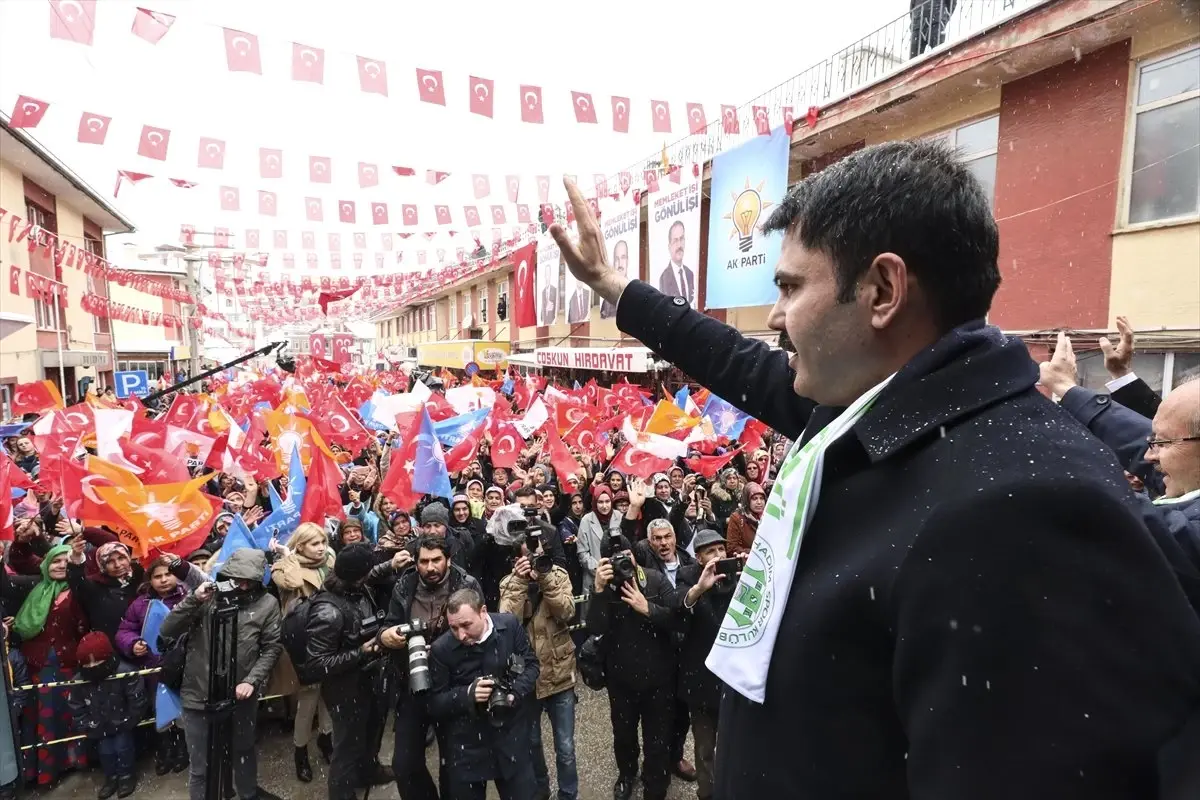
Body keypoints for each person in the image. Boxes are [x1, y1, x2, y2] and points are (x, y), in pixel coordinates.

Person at [551, 141, 1200, 798]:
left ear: (884, 290)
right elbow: (734, 362)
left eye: (790, 287)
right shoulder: (870, 402)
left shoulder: (1024, 505)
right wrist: (615, 288)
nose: (774, 319)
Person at [1039, 333, 1200, 589]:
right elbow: (1140, 442)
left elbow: (1140, 524)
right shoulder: (1188, 473)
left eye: (1161, 443)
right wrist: (1065, 389)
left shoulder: (1188, 535)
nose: (1148, 456)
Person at [159, 549, 283, 800]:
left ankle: (248, 794)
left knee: (244, 750)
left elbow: (271, 647)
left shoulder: (267, 603)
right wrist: (194, 600)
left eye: (249, 581)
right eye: (238, 579)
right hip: (199, 694)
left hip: (240, 696)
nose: (243, 585)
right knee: (201, 765)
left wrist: (252, 680)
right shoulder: (210, 594)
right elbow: (167, 629)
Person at [379, 536, 481, 800]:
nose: (430, 567)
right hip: (412, 683)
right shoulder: (405, 585)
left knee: (454, 766)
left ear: (448, 559)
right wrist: (385, 636)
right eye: (423, 561)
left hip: (454, 684)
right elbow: (389, 624)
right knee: (404, 764)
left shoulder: (466, 584)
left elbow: (481, 633)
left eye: (436, 560)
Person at [586, 538, 679, 800]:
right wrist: (599, 590)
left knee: (657, 738)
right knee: (623, 735)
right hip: (621, 679)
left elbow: (676, 619)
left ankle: (655, 782)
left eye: (626, 554)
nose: (623, 561)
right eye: (614, 557)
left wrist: (646, 607)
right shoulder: (605, 588)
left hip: (659, 678)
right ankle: (627, 774)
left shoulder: (654, 579)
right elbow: (595, 628)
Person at [427, 588, 540, 800]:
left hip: (510, 739)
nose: (461, 635)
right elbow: (434, 703)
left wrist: (513, 693)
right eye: (453, 628)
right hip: (467, 747)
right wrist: (467, 694)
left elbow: (532, 666)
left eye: (466, 625)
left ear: (483, 612)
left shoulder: (509, 626)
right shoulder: (441, 649)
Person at [302, 543, 391, 800]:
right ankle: (341, 792)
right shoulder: (328, 611)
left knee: (372, 730)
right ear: (356, 575)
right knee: (348, 746)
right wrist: (362, 652)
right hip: (344, 689)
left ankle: (368, 771)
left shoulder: (357, 585)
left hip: (369, 678)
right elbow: (317, 663)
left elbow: (374, 573)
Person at [498, 521, 579, 800]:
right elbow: (507, 623)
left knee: (565, 747)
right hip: (527, 679)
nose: (533, 560)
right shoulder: (509, 583)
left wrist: (544, 579)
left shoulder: (557, 575)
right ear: (515, 559)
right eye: (526, 556)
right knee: (532, 743)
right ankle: (540, 789)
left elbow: (567, 612)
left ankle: (568, 794)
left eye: (537, 553)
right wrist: (520, 583)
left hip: (559, 672)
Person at [1, 542, 89, 787]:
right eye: (56, 561)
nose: (61, 565)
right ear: (46, 565)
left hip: (68, 663)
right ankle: (45, 771)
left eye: (65, 561)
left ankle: (73, 762)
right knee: (41, 718)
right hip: (37, 667)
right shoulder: (33, 589)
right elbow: (10, 575)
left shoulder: (77, 589)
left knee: (69, 715)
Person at [115, 554, 204, 776]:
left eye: (168, 574)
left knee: (183, 710)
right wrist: (133, 644)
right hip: (153, 668)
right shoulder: (140, 604)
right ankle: (165, 751)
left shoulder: (189, 597)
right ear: (150, 580)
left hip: (184, 666)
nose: (164, 580)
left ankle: (184, 750)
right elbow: (124, 631)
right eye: (158, 576)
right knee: (160, 712)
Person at [672, 530, 738, 800]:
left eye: (721, 550)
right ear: (698, 558)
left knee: (735, 745)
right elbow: (680, 604)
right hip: (701, 676)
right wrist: (700, 588)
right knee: (704, 747)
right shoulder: (687, 576)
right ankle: (707, 793)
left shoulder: (735, 573)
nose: (718, 556)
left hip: (732, 675)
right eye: (710, 552)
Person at [268, 523, 335, 782]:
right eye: (314, 543)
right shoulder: (283, 566)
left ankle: (326, 740)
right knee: (307, 701)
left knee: (328, 694)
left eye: (323, 542)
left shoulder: (330, 560)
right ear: (300, 545)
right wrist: (289, 558)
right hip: (302, 642)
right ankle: (300, 751)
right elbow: (294, 582)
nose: (321, 548)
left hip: (329, 636)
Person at [68, 632, 147, 799]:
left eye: (97, 661)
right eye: (87, 663)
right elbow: (76, 705)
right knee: (105, 752)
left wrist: (129, 720)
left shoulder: (125, 673)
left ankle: (126, 776)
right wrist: (86, 724)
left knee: (123, 748)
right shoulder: (80, 681)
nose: (92, 666)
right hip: (98, 724)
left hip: (122, 722)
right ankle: (111, 778)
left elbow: (137, 699)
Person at [66, 539, 143, 641]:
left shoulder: (141, 580)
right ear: (102, 565)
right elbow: (77, 582)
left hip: (142, 645)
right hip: (110, 646)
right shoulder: (95, 586)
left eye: (121, 558)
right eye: (110, 561)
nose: (117, 565)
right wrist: (76, 559)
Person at [576, 485, 622, 592]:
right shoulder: (586, 520)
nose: (604, 506)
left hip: (618, 576)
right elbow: (582, 553)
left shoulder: (619, 516)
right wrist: (600, 570)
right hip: (594, 576)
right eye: (600, 502)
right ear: (595, 502)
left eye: (607, 501)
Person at [657, 221, 695, 305]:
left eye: (681, 239)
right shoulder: (664, 278)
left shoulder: (690, 274)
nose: (679, 245)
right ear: (669, 246)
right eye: (675, 241)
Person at [723, 482, 765, 557]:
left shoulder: (767, 517)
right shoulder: (737, 518)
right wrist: (754, 553)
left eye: (761, 498)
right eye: (754, 498)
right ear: (747, 500)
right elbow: (732, 548)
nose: (759, 502)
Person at [600, 240, 628, 319]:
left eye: (623, 258)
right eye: (616, 259)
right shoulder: (606, 301)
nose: (620, 264)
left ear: (627, 260)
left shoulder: (634, 292)